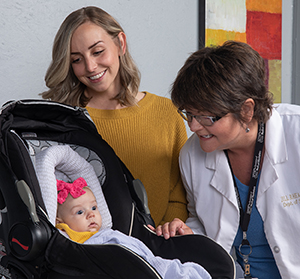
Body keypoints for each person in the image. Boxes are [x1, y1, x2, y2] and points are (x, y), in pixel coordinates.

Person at [153, 41, 300, 279]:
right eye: (189, 114)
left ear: (246, 110)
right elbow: (207, 222)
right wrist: (190, 233)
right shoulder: (192, 154)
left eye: (207, 117)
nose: (193, 126)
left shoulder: (296, 134)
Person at [42, 6, 188, 227]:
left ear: (120, 43)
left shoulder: (167, 113)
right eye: (76, 59)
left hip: (158, 253)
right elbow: (53, 202)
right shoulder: (62, 120)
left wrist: (162, 238)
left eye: (98, 51)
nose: (90, 67)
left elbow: (180, 195)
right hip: (87, 255)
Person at [55, 177, 211, 279]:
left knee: (170, 266)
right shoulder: (68, 239)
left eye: (94, 208)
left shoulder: (107, 233)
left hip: (146, 260)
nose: (91, 215)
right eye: (80, 212)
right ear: (60, 221)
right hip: (128, 267)